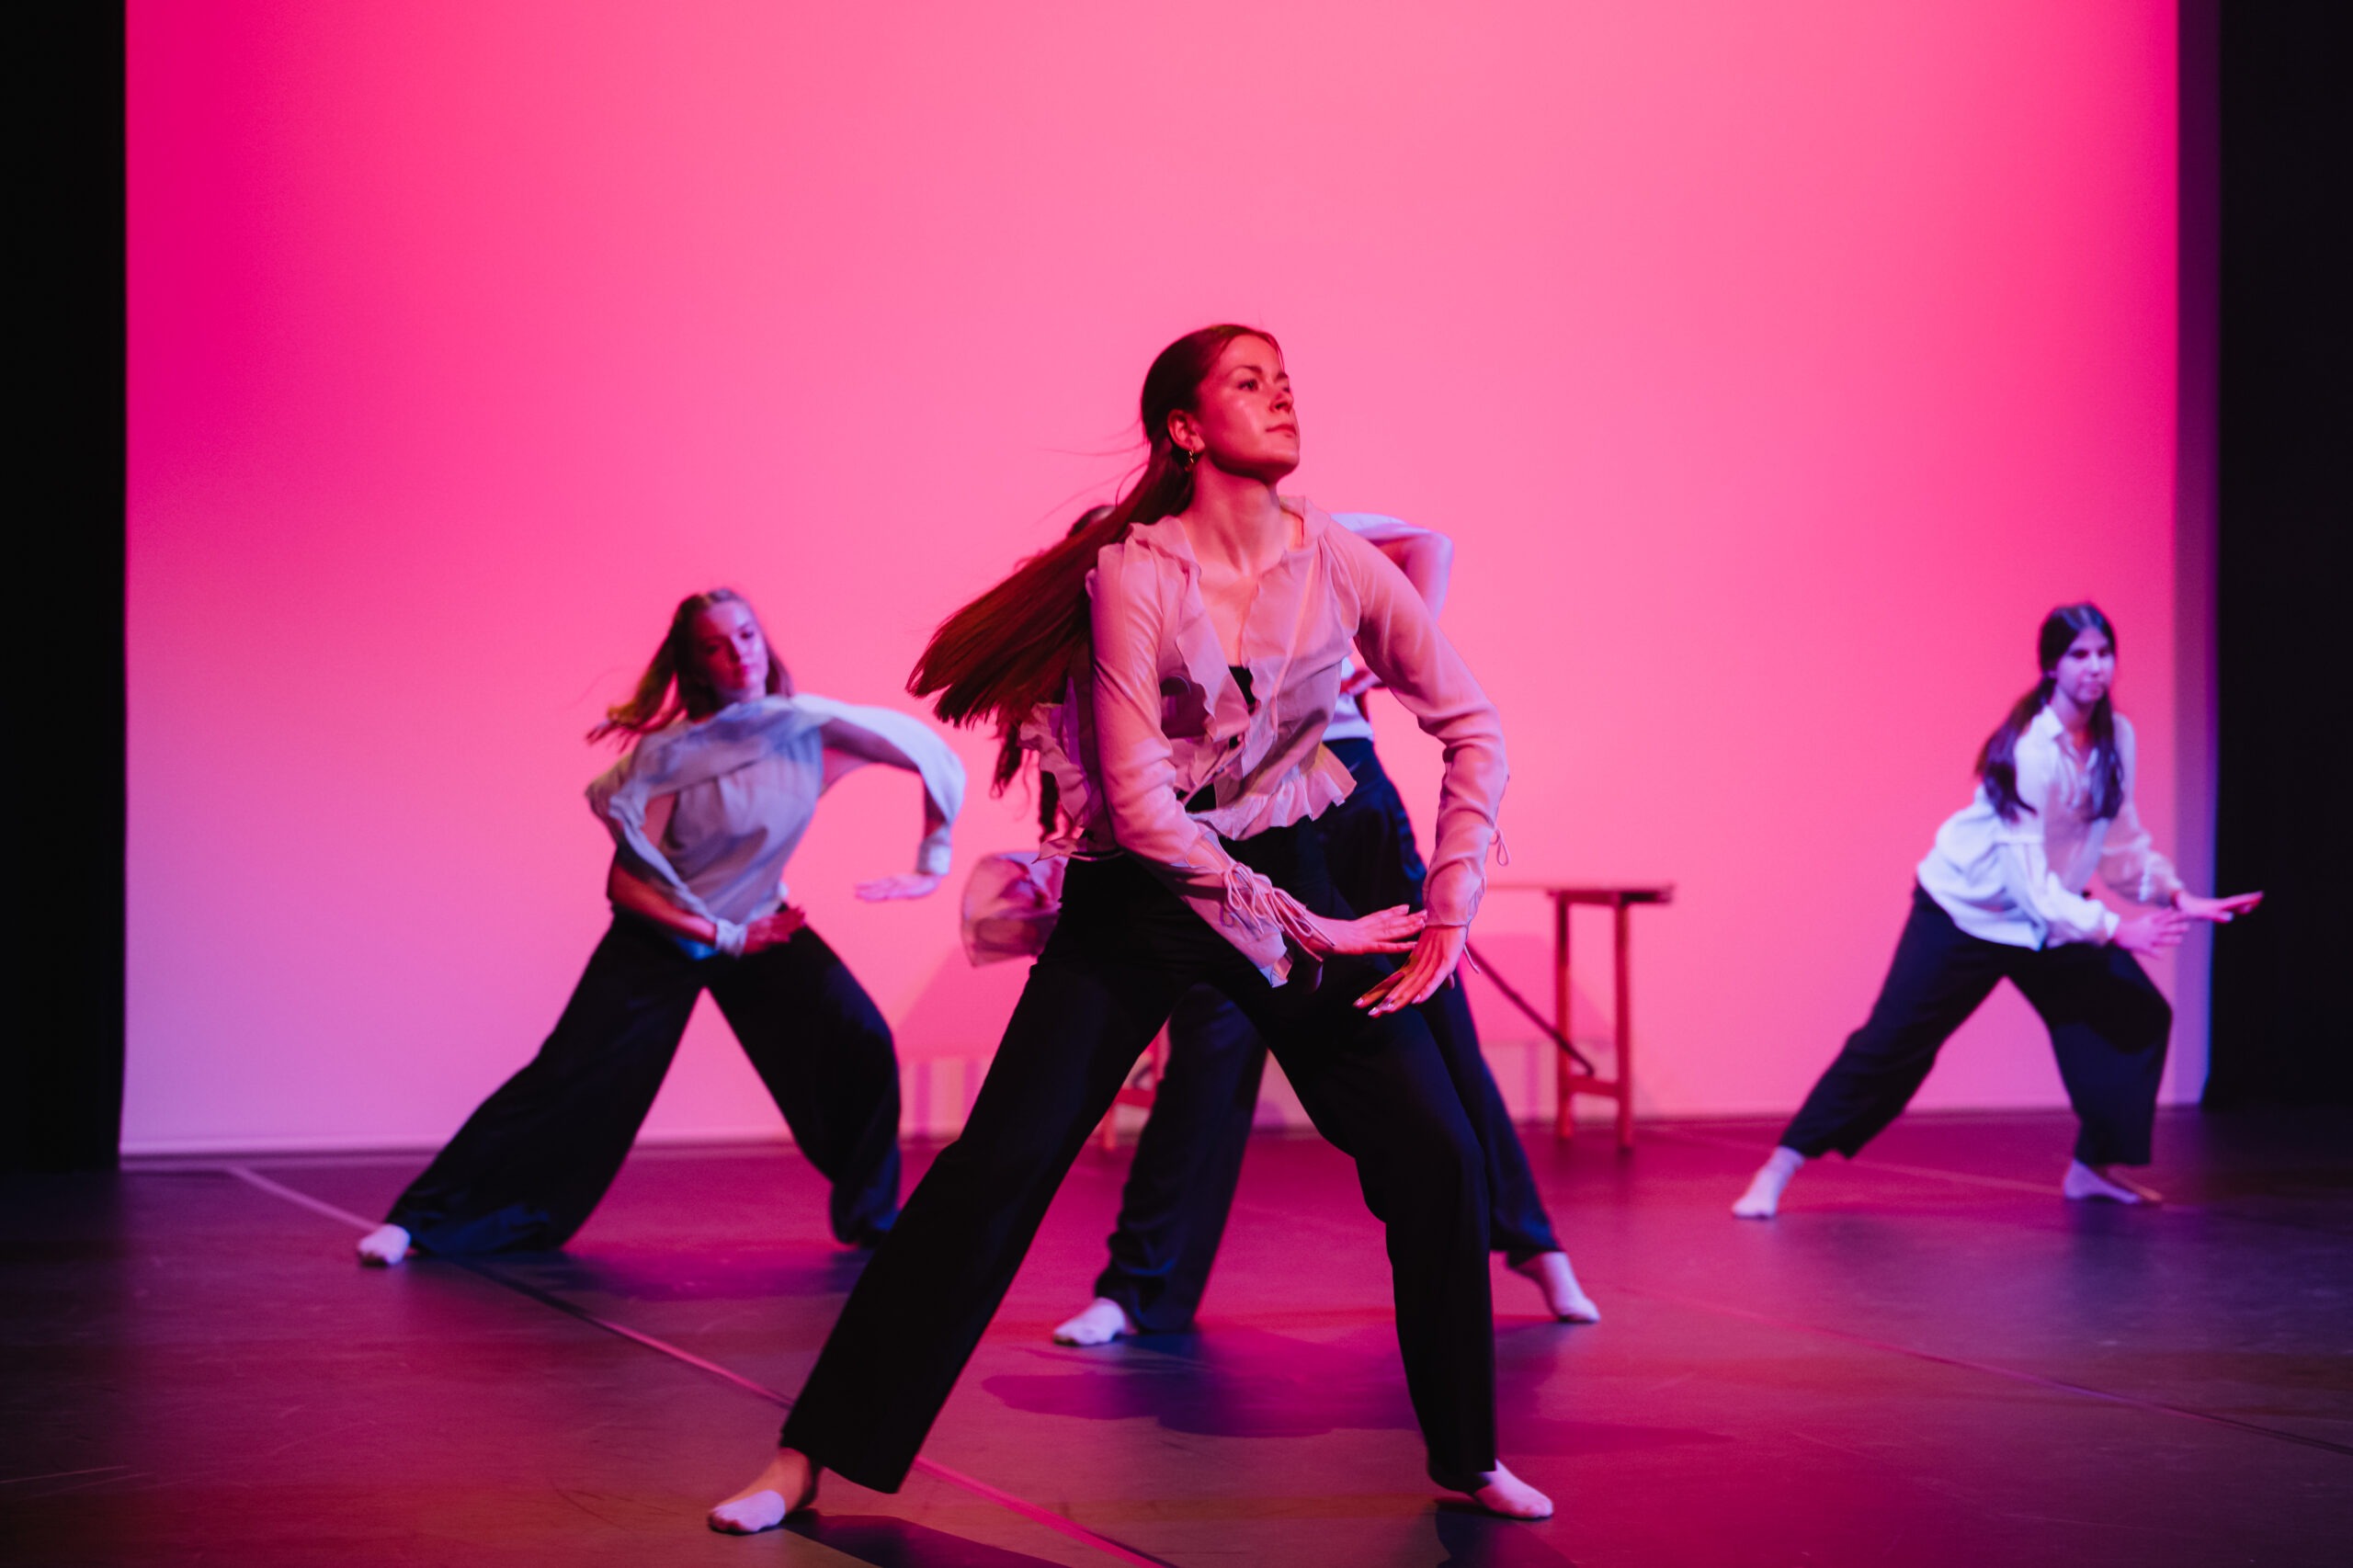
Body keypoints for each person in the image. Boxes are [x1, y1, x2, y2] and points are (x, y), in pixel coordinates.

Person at [711, 324, 1554, 1531]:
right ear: (1185, 427)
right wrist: (1309, 929)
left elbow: (1474, 725)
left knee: (1439, 1151)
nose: (1281, 396)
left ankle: (1468, 1453)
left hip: (1296, 867)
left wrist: (1454, 897)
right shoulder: (1133, 575)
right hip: (1145, 897)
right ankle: (807, 1453)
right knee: (998, 1165)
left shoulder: (1338, 560)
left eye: (1286, 380)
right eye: (1250, 382)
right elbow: (1148, 810)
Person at [1048, 511, 1597, 1348]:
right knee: (1212, 1041)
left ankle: (1533, 1242)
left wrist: (1366, 669)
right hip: (1233, 805)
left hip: (1348, 783)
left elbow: (1428, 545)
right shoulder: (1147, 557)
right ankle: (1138, 1286)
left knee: (1433, 1014)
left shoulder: (1291, 525)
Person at [357, 588, 964, 1265]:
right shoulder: (674, 756)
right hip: (666, 933)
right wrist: (721, 937)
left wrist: (931, 863)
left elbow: (931, 757)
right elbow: (625, 885)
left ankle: (874, 1218)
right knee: (568, 1078)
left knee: (859, 1038)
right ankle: (418, 1221)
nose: (739, 655)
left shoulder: (807, 731)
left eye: (747, 636)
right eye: (716, 646)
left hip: (759, 923)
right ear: (696, 666)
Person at [1732, 604, 2261, 1220]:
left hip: (2049, 914)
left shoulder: (2117, 738)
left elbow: (2119, 841)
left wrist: (2176, 896)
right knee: (1891, 1043)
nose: (2095, 667)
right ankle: (1780, 1167)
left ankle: (2091, 1170)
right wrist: (2116, 929)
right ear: (2051, 666)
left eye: (2103, 653)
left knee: (2135, 1015)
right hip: (1967, 914)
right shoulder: (2028, 750)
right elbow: (2028, 887)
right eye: (2079, 655)